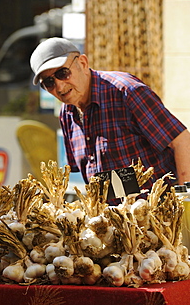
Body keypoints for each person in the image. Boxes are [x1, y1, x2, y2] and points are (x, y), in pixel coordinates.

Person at [30, 37, 190, 198]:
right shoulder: (66, 113)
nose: (59, 86)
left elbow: (182, 141)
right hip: (113, 218)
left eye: (62, 73)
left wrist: (185, 204)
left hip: (160, 215)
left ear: (83, 64)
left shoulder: (126, 92)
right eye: (49, 82)